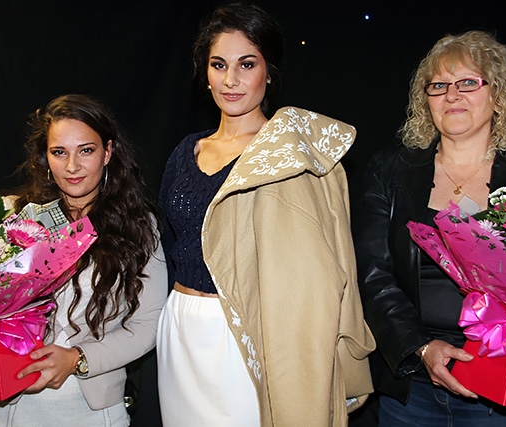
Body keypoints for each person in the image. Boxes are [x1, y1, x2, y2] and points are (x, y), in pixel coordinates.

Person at [353, 30, 506, 427]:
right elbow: (371, 275)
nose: (452, 95)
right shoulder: (390, 171)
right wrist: (420, 348)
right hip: (414, 390)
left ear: (499, 96)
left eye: (468, 82)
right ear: (425, 100)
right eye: (439, 86)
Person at [156, 2, 375, 426]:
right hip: (181, 327)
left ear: (269, 72)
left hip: (251, 331)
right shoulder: (185, 152)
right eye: (218, 65)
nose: (231, 80)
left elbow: (316, 274)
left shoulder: (290, 154)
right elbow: (171, 244)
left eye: (247, 64)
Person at [0, 94, 168, 427]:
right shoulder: (12, 215)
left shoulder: (137, 226)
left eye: (85, 150)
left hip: (87, 408)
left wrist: (78, 359)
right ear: (45, 157)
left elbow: (148, 323)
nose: (72, 167)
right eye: (59, 152)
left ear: (108, 152)